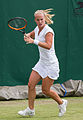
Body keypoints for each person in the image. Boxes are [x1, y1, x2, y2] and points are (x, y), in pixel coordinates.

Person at [18, 9, 68, 117]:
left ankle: (61, 102)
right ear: (35, 20)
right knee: (31, 84)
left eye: (42, 19)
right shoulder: (37, 29)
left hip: (51, 65)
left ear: (44, 19)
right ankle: (30, 110)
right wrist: (27, 36)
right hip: (42, 63)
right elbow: (31, 34)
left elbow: (48, 45)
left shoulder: (48, 31)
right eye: (38, 20)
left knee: (45, 90)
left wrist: (33, 41)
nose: (40, 21)